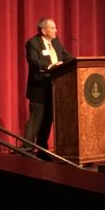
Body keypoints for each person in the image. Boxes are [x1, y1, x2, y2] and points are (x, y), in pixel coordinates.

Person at [24, 17, 73, 155]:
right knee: (36, 119)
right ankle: (26, 149)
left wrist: (78, 62)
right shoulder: (32, 43)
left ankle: (42, 149)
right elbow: (33, 61)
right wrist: (51, 66)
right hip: (39, 87)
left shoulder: (56, 42)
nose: (56, 30)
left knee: (48, 120)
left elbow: (67, 56)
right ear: (44, 30)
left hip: (55, 87)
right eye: (53, 28)